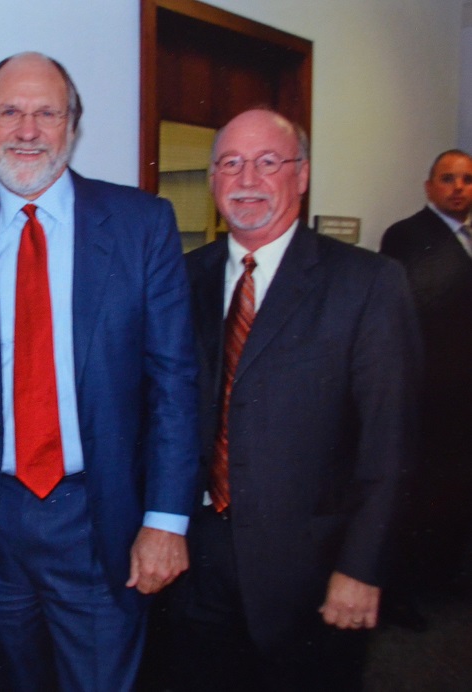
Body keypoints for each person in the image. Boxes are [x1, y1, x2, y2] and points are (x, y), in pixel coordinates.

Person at [0, 52, 199, 691]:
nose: (27, 129)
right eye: (9, 112)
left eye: (47, 112)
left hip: (103, 520)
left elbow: (174, 383)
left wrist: (165, 520)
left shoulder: (140, 225)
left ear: (71, 126)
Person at [166, 108, 421, 690]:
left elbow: (391, 443)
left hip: (310, 571)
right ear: (211, 182)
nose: (247, 179)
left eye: (267, 162)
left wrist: (360, 567)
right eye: (230, 164)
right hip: (196, 562)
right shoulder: (183, 278)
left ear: (301, 175)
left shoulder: (369, 283)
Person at [380, 150, 472, 604]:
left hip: (462, 398)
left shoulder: (467, 237)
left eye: (467, 180)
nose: (459, 188)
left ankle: (444, 580)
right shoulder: (407, 236)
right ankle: (404, 595)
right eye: (448, 178)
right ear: (428, 187)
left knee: (455, 492)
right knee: (418, 497)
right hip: (427, 392)